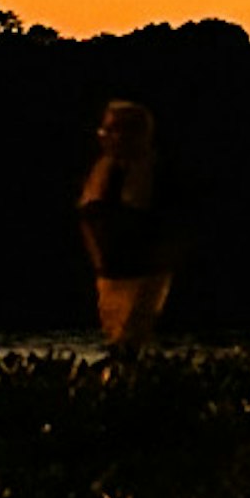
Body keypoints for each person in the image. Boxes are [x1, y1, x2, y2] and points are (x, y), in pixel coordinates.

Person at [75, 101, 173, 357]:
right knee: (117, 340)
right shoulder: (102, 170)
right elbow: (88, 216)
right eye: (103, 130)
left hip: (143, 274)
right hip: (109, 274)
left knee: (129, 342)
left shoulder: (154, 171)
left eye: (112, 130)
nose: (104, 137)